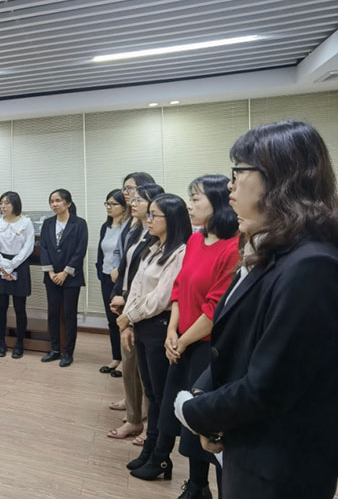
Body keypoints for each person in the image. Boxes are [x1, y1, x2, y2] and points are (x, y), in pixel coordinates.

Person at [178, 121, 338, 499]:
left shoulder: (312, 264)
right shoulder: (268, 250)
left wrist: (193, 411)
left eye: (238, 173)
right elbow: (234, 348)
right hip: (248, 445)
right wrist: (202, 398)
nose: (230, 187)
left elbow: (270, 385)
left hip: (280, 466)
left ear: (277, 177)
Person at [138, 175, 239, 497]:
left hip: (207, 348)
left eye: (196, 199)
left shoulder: (233, 247)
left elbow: (215, 308)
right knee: (183, 416)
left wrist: (181, 341)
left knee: (204, 419)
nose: (190, 205)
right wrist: (172, 331)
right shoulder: (196, 240)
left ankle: (208, 487)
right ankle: (196, 485)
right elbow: (180, 288)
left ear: (218, 203)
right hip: (181, 341)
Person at [118, 194, 191, 480]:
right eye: (148, 214)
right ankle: (149, 450)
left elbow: (162, 298)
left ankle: (161, 457)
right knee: (150, 393)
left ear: (170, 219)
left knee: (161, 396)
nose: (148, 220)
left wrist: (130, 317)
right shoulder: (153, 247)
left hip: (159, 326)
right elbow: (137, 286)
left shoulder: (180, 252)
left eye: (154, 215)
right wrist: (129, 317)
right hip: (143, 326)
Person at [107, 182, 164, 441]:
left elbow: (148, 280)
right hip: (127, 302)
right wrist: (117, 294)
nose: (132, 201)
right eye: (132, 197)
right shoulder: (134, 230)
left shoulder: (157, 234)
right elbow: (125, 268)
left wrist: (127, 298)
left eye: (139, 198)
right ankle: (133, 418)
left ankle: (149, 423)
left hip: (144, 308)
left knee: (147, 372)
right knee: (129, 365)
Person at [39, 189, 88, 367]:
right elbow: (43, 247)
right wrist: (51, 272)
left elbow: (80, 251)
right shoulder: (48, 223)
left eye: (58, 200)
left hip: (71, 277)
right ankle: (54, 349)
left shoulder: (79, 223)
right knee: (53, 314)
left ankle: (68, 352)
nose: (55, 204)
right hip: (52, 277)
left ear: (68, 203)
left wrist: (65, 272)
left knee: (69, 315)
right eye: (52, 201)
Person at [0, 191, 35, 359]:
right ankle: (1, 343)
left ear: (16, 204)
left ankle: (19, 344)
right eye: (1, 203)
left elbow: (28, 247)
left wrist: (12, 264)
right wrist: (3, 265)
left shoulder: (26, 222)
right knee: (1, 308)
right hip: (0, 265)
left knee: (19, 308)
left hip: (19, 265)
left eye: (7, 203)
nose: (3, 206)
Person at [96, 189, 128, 377]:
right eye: (107, 204)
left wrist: (120, 273)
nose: (109, 207)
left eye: (113, 204)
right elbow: (101, 253)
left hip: (121, 279)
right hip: (106, 277)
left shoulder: (129, 227)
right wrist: (101, 273)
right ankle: (116, 357)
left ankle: (126, 361)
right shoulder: (105, 226)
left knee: (124, 320)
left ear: (124, 207)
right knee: (111, 320)